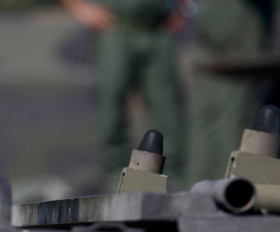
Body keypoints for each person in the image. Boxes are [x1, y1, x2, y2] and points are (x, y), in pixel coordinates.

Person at [59, 0, 187, 190]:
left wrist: (184, 8)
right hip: (115, 28)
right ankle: (114, 177)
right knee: (112, 105)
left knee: (168, 109)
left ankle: (173, 177)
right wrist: (80, 9)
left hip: (157, 29)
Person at [187, 0, 274, 184]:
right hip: (220, 26)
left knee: (228, 118)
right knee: (213, 118)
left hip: (231, 25)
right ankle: (209, 191)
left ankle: (216, 192)